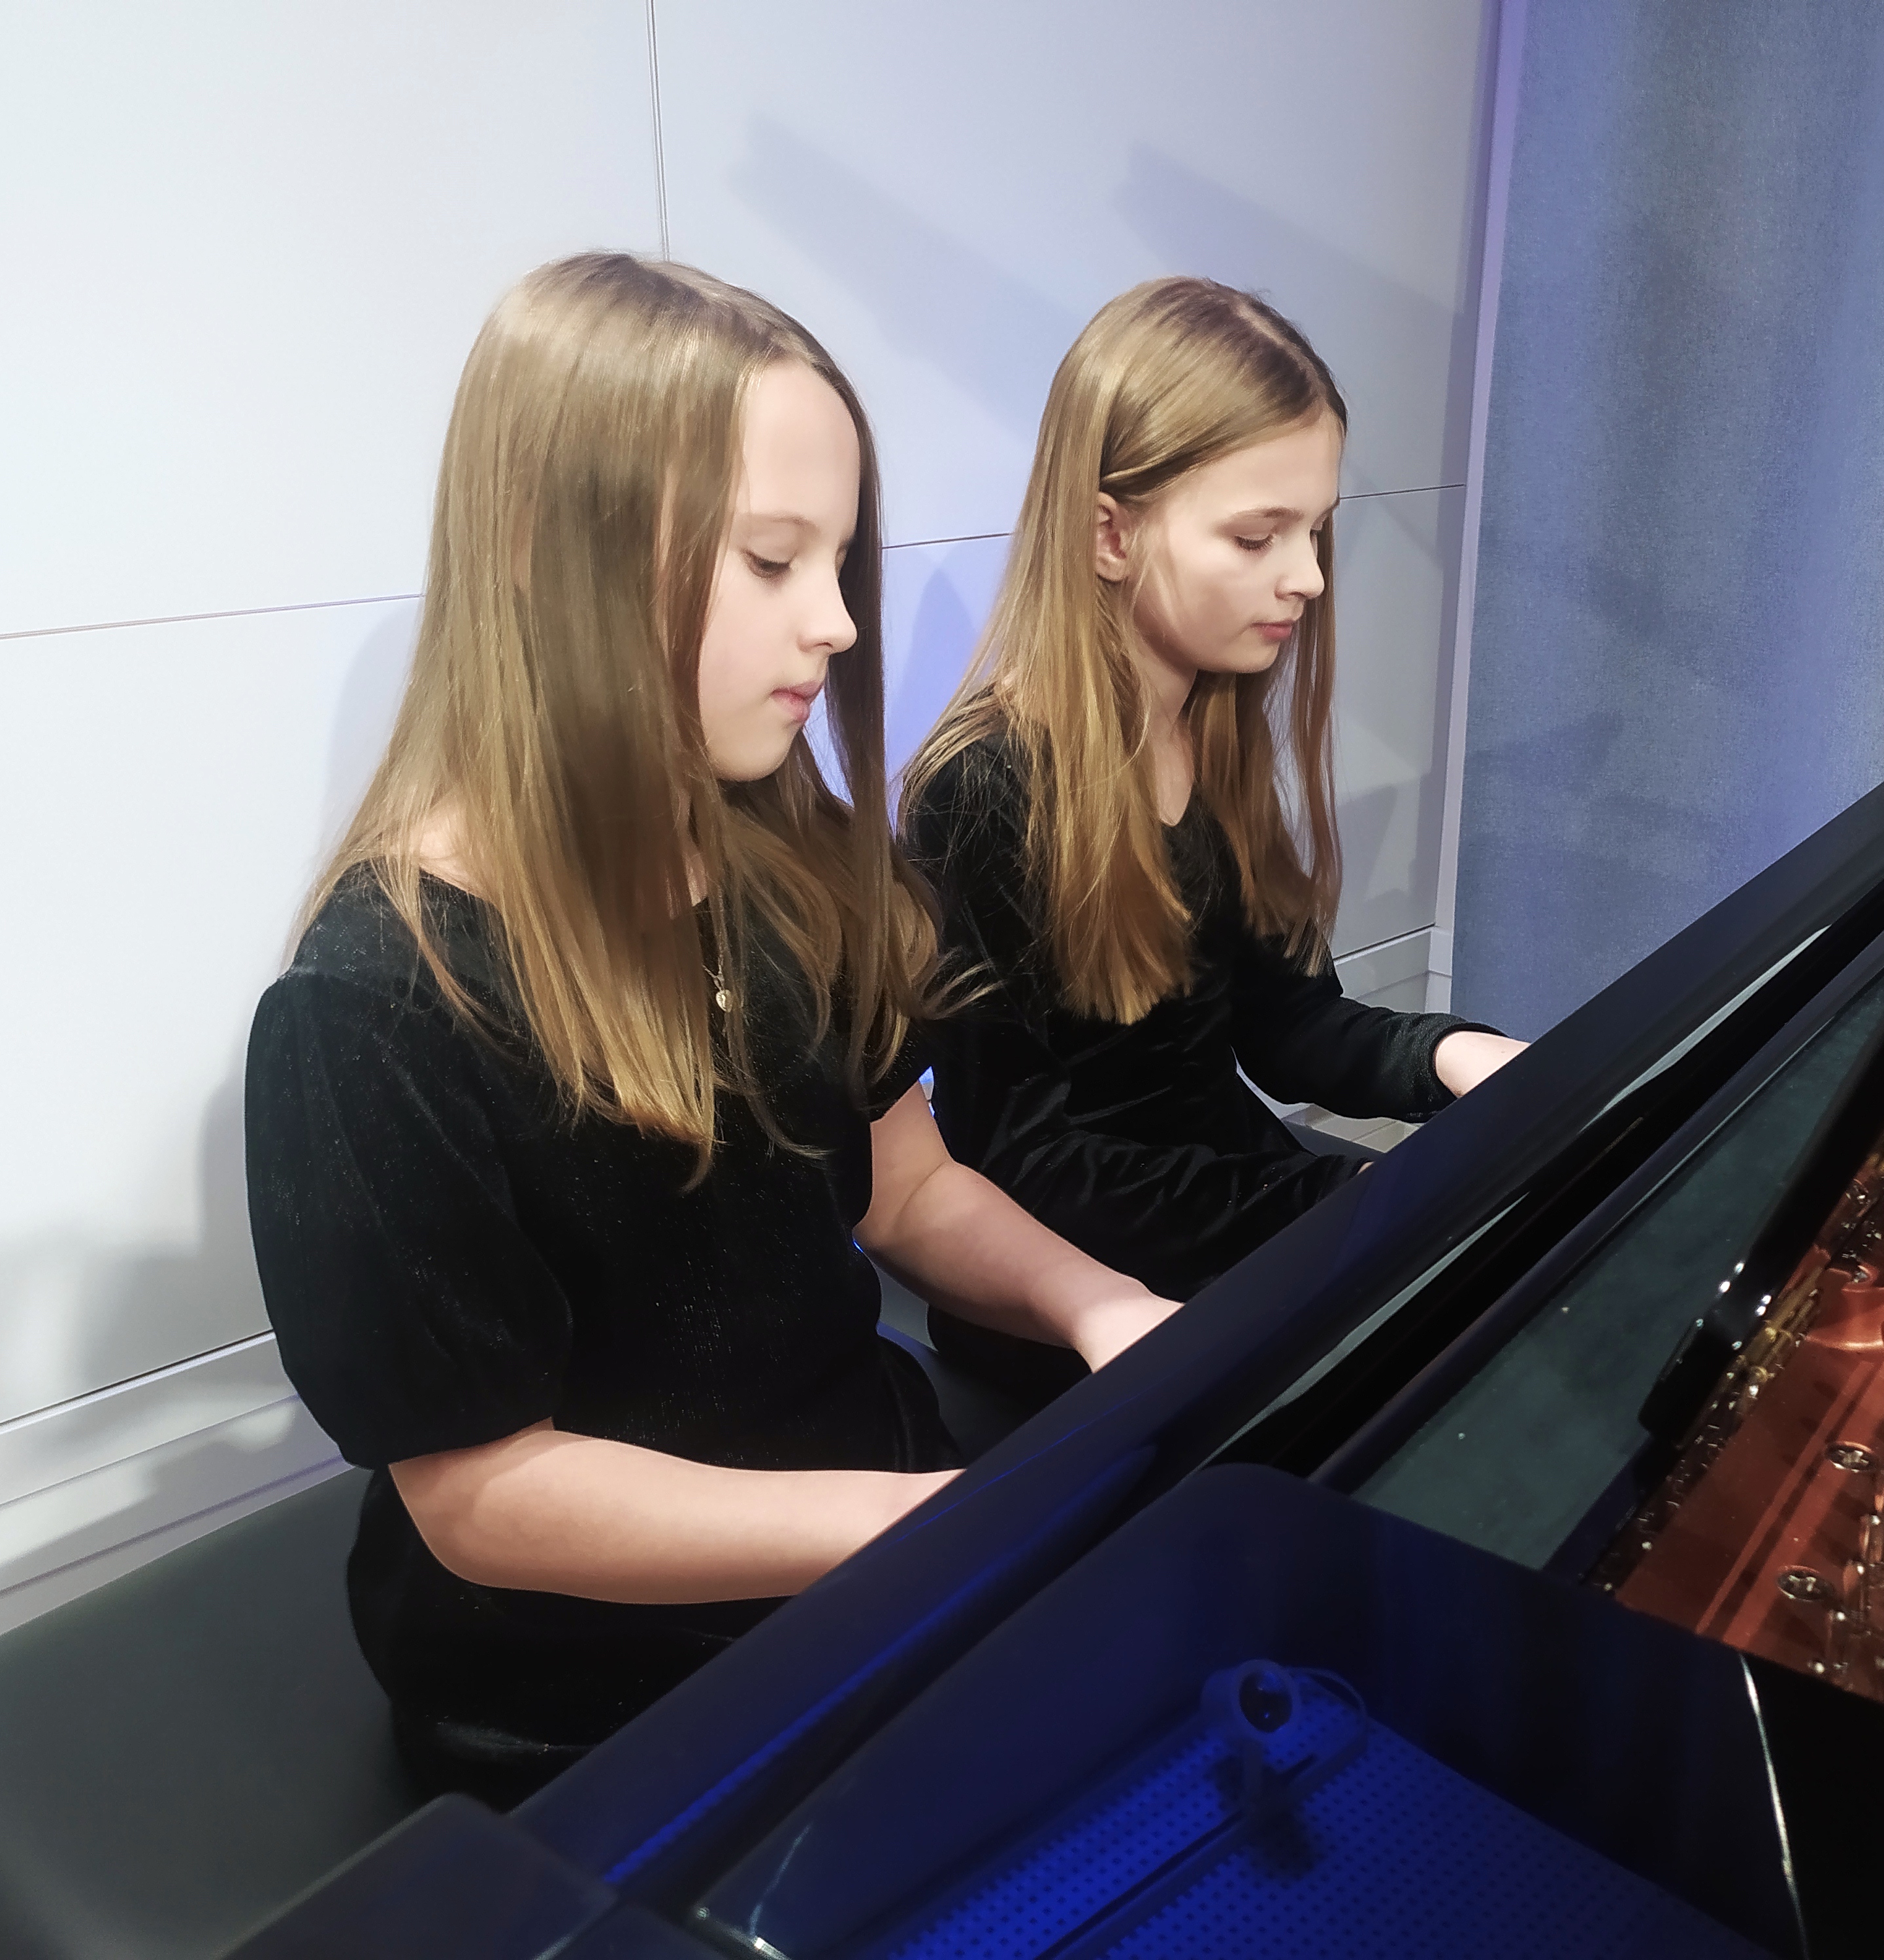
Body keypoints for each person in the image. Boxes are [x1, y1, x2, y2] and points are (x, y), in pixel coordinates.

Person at [244, 255, 1175, 1807]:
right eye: (769, 560)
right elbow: (483, 1496)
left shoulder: (780, 852)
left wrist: (1106, 1307)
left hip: (864, 1497)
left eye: (836, 562)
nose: (836, 624)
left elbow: (905, 1187)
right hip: (604, 1672)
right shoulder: (372, 1010)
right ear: (543, 548)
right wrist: (901, 1529)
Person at [900, 277, 1523, 1406]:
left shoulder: (1215, 725)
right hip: (1082, 1298)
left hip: (1228, 1204)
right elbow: (1022, 1161)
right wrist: (1321, 1205)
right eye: (1256, 536)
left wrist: (1456, 1060)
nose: (1310, 577)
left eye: (1316, 530)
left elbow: (1286, 1025)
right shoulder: (982, 790)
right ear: (1110, 533)